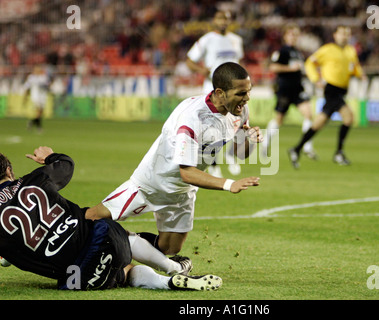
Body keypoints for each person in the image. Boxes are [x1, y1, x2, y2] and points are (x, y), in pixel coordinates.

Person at [86, 62, 262, 267]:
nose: (247, 98)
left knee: (170, 248)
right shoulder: (192, 117)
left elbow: (241, 155)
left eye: (248, 92)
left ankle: (121, 238)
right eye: (241, 93)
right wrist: (228, 184)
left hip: (183, 190)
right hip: (152, 183)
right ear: (221, 93)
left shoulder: (240, 111)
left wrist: (248, 139)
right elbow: (186, 171)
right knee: (92, 218)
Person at [0, 147, 222, 291]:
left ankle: (165, 283)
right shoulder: (33, 180)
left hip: (76, 278)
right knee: (111, 230)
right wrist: (49, 157)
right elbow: (66, 164)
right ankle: (173, 268)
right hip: (103, 239)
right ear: (9, 171)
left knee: (122, 274)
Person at [288, 25, 364, 168]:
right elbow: (310, 62)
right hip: (331, 90)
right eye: (342, 33)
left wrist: (360, 74)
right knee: (349, 117)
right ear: (335, 35)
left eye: (347, 34)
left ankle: (296, 149)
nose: (345, 36)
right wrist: (316, 79)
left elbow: (354, 66)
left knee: (319, 123)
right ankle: (339, 153)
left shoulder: (350, 51)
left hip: (342, 90)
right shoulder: (328, 49)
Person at [186, 9, 244, 178]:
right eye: (220, 18)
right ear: (214, 20)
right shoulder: (207, 40)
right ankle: (213, 164)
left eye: (226, 18)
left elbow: (238, 62)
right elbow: (189, 60)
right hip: (213, 87)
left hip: (233, 88)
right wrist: (201, 70)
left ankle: (231, 156)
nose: (223, 22)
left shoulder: (236, 40)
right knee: (213, 127)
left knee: (238, 123)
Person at [262, 24, 317, 160]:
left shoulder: (298, 52)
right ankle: (265, 142)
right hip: (285, 89)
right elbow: (273, 67)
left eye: (295, 35)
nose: (293, 37)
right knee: (279, 120)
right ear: (285, 36)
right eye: (291, 34)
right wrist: (290, 68)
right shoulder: (282, 51)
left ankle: (307, 146)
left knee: (308, 115)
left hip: (298, 89)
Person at [23, 65, 50, 133]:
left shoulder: (43, 77)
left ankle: (31, 122)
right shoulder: (31, 78)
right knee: (38, 111)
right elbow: (27, 87)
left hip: (43, 96)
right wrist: (25, 97)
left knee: (41, 112)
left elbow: (48, 85)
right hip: (35, 96)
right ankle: (39, 127)